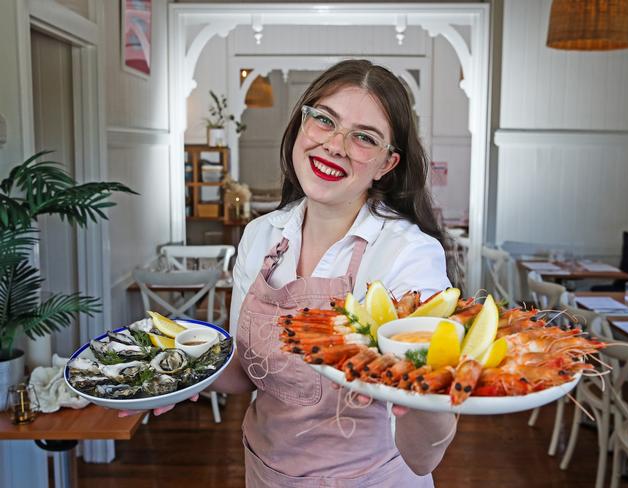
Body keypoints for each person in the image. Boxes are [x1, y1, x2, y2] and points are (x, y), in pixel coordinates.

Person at [126, 59, 457, 486]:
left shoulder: (408, 254)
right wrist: (181, 374)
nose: (336, 145)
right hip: (265, 474)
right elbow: (248, 370)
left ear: (386, 164)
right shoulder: (261, 236)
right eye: (324, 120)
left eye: (364, 138)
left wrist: (428, 403)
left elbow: (424, 457)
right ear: (301, 124)